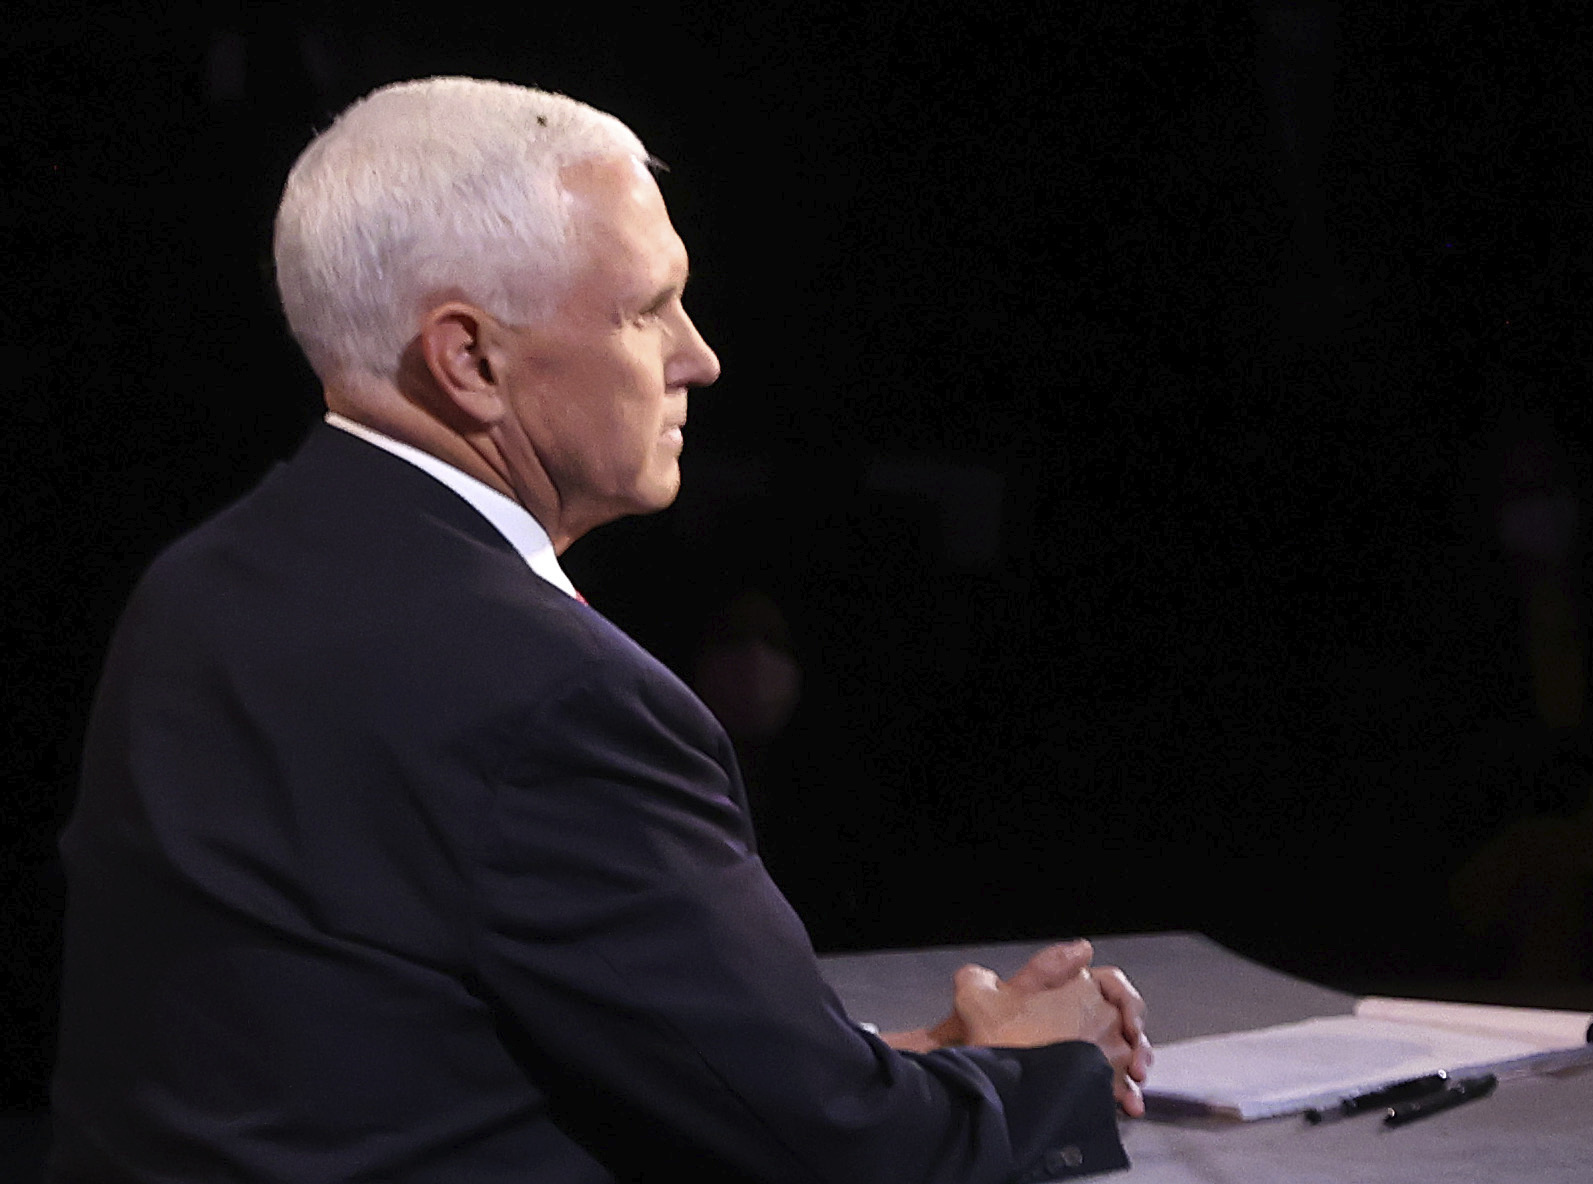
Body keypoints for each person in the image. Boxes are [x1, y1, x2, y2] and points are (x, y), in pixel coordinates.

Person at [50, 77, 1151, 1183]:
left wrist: (893, 1058)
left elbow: (377, 1047)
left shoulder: (197, 587)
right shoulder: (551, 693)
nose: (698, 356)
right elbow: (845, 1156)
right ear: (470, 359)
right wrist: (1047, 1063)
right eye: (646, 309)